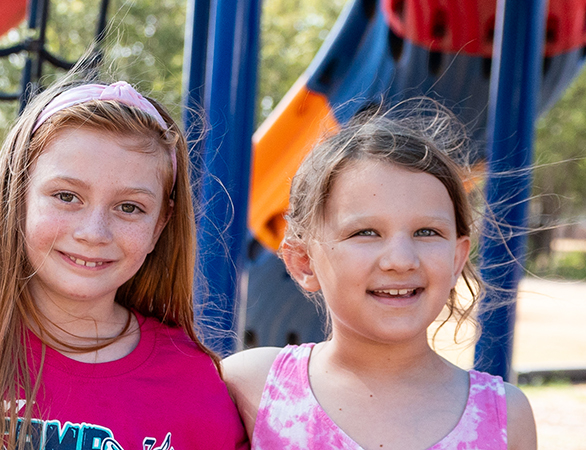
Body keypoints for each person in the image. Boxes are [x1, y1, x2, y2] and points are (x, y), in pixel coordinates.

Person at [0, 80, 248, 450]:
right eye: (67, 196)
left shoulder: (191, 385)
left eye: (129, 207)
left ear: (159, 226)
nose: (94, 232)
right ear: (16, 196)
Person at [219, 108, 537, 449]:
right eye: (366, 232)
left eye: (426, 231)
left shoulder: (504, 417)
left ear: (457, 258)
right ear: (304, 261)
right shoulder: (251, 386)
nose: (400, 260)